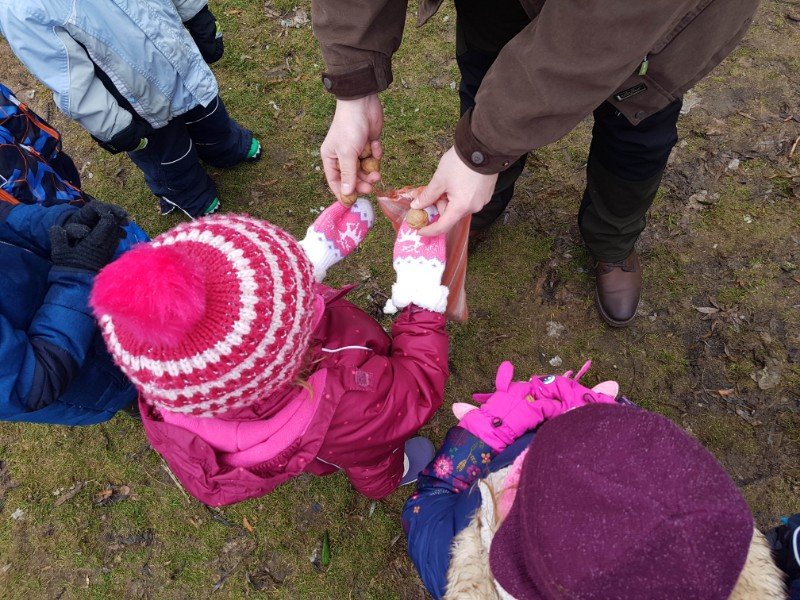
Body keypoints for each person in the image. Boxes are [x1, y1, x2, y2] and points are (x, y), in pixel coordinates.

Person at [311, 0, 760, 327]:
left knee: (636, 131)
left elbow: (607, 20)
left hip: (650, 25)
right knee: (485, 87)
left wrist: (481, 150)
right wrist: (354, 85)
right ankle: (482, 206)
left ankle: (612, 238)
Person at [89, 201, 450, 506]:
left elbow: (250, 319)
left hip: (304, 420)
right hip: (353, 432)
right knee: (373, 455)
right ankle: (385, 481)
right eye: (294, 286)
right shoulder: (352, 401)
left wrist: (310, 259)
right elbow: (416, 386)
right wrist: (421, 303)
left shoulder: (193, 381)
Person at [402, 363, 788, 599]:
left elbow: (433, 496)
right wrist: (600, 410)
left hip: (489, 454)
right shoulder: (713, 565)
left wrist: (482, 432)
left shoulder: (450, 563)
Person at [0, 0, 260, 219]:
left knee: (209, 113)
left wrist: (196, 13)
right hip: (136, 102)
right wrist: (111, 125)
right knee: (168, 154)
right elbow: (69, 77)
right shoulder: (21, 8)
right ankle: (189, 194)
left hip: (177, 54)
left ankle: (226, 146)